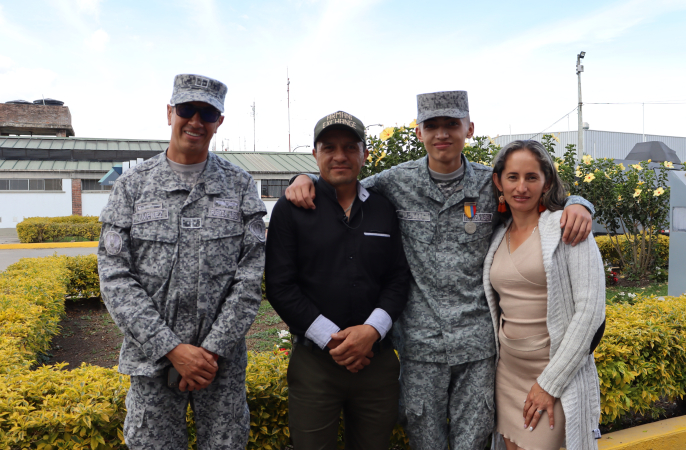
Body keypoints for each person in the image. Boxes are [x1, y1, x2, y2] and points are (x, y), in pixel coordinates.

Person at [284, 91, 595, 450]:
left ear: (469, 129)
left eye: (452, 124)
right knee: (425, 443)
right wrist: (302, 176)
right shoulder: (396, 182)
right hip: (420, 348)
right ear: (419, 132)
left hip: (478, 348)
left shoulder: (489, 183)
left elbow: (537, 193)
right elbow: (341, 182)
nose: (442, 134)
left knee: (472, 442)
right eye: (432, 126)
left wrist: (579, 203)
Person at [97, 74, 266, 450]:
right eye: (187, 109)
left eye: (207, 113)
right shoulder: (133, 186)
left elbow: (251, 274)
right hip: (152, 362)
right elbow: (114, 276)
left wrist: (209, 352)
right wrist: (171, 348)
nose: (196, 121)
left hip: (219, 366)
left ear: (219, 121)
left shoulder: (239, 185)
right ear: (170, 112)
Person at [265, 111, 411, 450]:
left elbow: (398, 278)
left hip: (376, 362)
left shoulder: (384, 209)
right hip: (315, 363)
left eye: (350, 147)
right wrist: (333, 340)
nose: (340, 156)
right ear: (315, 154)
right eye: (328, 147)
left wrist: (370, 331)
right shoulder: (291, 210)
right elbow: (280, 285)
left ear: (365, 154)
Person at [483, 139, 605, 450]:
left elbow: (590, 313)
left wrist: (549, 384)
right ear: (499, 181)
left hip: (553, 375)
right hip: (508, 374)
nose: (521, 187)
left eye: (531, 177)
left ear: (546, 181)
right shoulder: (497, 233)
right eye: (512, 177)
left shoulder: (568, 227)